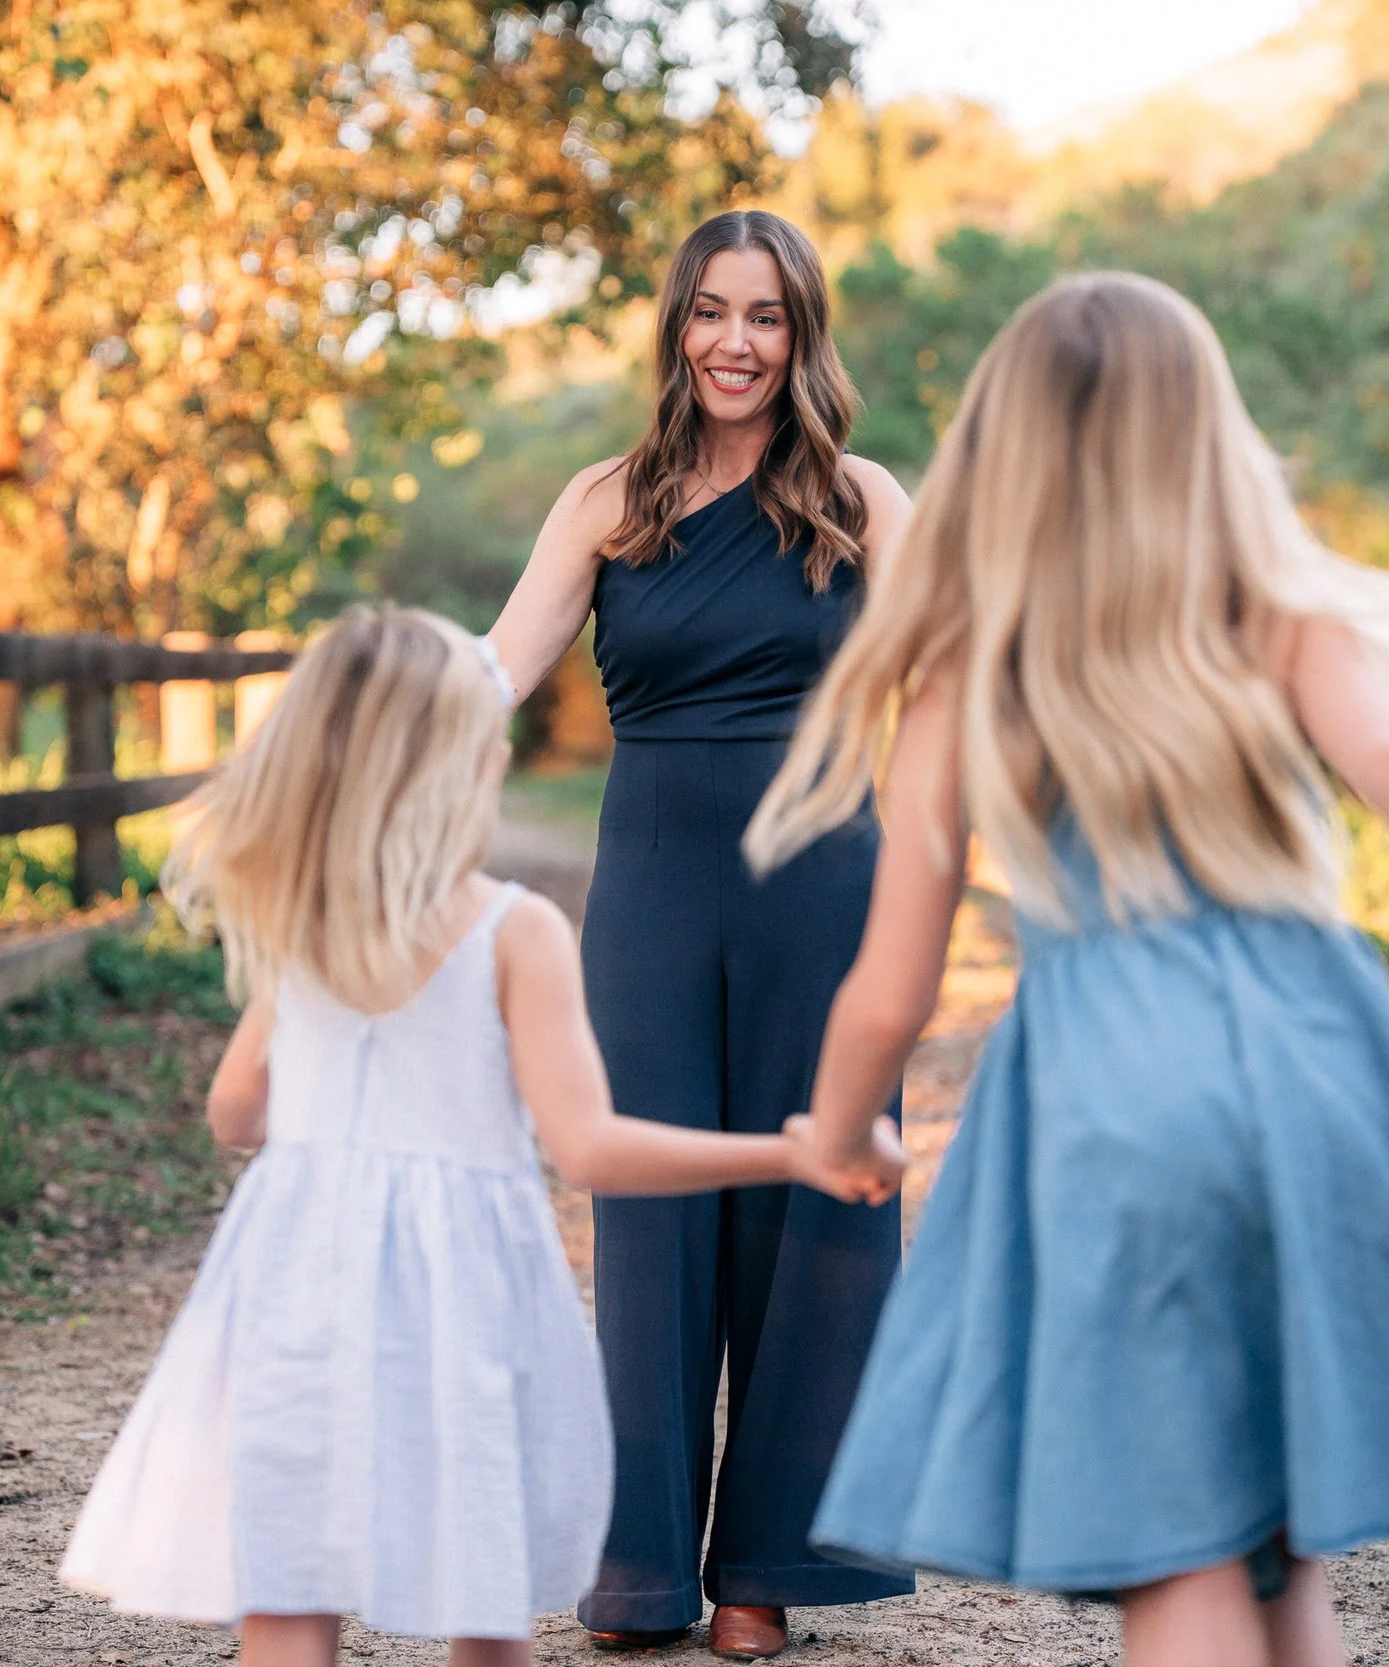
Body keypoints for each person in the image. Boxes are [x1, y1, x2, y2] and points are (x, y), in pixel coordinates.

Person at [744, 273, 1389, 1667]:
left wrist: (837, 1131)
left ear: (1002, 453)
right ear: (1207, 431)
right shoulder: (1272, 607)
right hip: (1323, 1071)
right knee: (1276, 1540)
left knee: (1180, 1556)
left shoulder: (967, 663)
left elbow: (892, 984)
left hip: (1109, 1101)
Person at [57, 604, 904, 1667]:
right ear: (461, 761)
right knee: (481, 1581)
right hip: (458, 1294)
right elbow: (590, 1149)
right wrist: (790, 1151)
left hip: (290, 1282)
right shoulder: (514, 930)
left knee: (288, 1591)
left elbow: (236, 1111)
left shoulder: (304, 921)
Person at [487, 209, 916, 1659]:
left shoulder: (863, 499)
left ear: (804, 336)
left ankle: (764, 1568)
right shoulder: (608, 499)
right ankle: (641, 1563)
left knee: (812, 1214)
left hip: (827, 885)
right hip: (653, 884)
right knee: (650, 1204)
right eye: (714, 312)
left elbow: (951, 684)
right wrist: (360, 746)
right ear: (678, 326)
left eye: (769, 316)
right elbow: (495, 667)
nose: (738, 341)